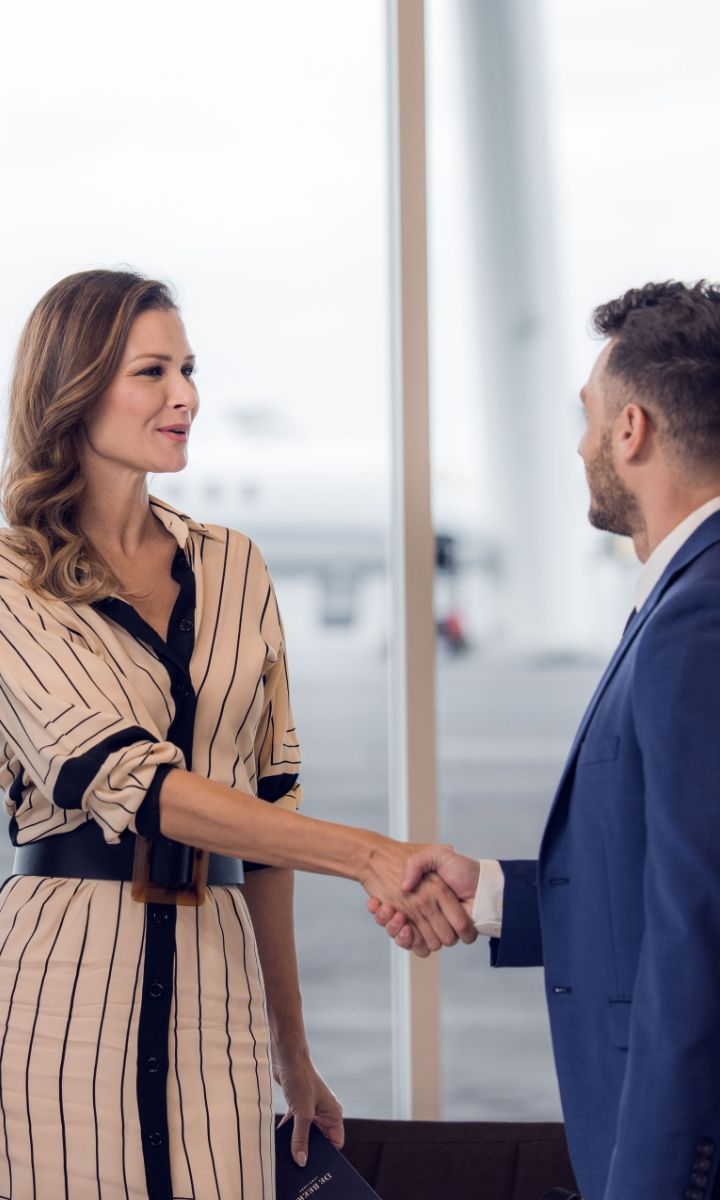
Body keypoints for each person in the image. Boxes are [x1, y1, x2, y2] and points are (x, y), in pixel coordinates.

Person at [0, 268, 475, 1200]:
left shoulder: (236, 565)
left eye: (188, 368)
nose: (186, 396)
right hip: (56, 992)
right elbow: (134, 781)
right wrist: (372, 854)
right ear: (75, 386)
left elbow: (265, 817)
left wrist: (293, 1057)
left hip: (222, 991)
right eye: (151, 372)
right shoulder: (12, 577)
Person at [371, 281, 720, 1200]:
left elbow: (700, 925)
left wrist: (653, 1180)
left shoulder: (699, 614)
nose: (581, 444)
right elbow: (658, 878)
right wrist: (491, 896)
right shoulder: (688, 595)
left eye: (589, 419)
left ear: (632, 430)